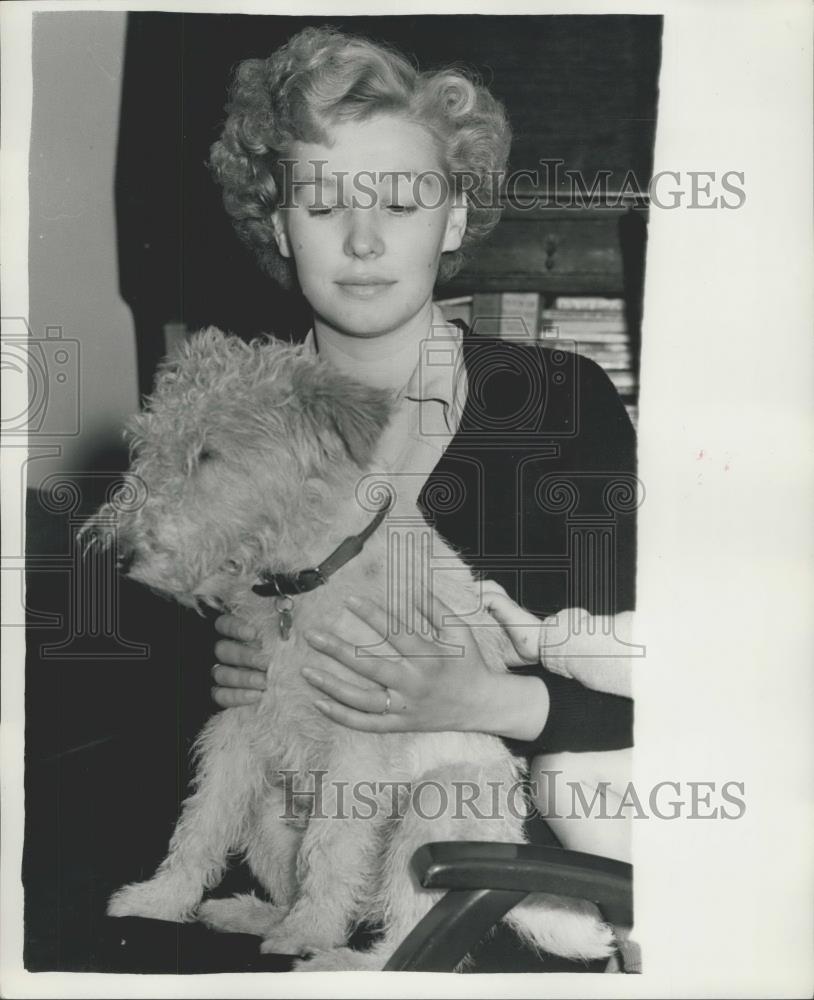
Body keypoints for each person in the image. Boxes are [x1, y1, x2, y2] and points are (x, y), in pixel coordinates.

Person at [207, 26, 638, 868]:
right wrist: (213, 674)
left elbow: (691, 686)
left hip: (531, 879)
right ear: (280, 224)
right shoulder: (233, 426)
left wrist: (486, 700)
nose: (363, 241)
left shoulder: (564, 404)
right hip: (297, 885)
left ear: (455, 219)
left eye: (401, 204)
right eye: (324, 205)